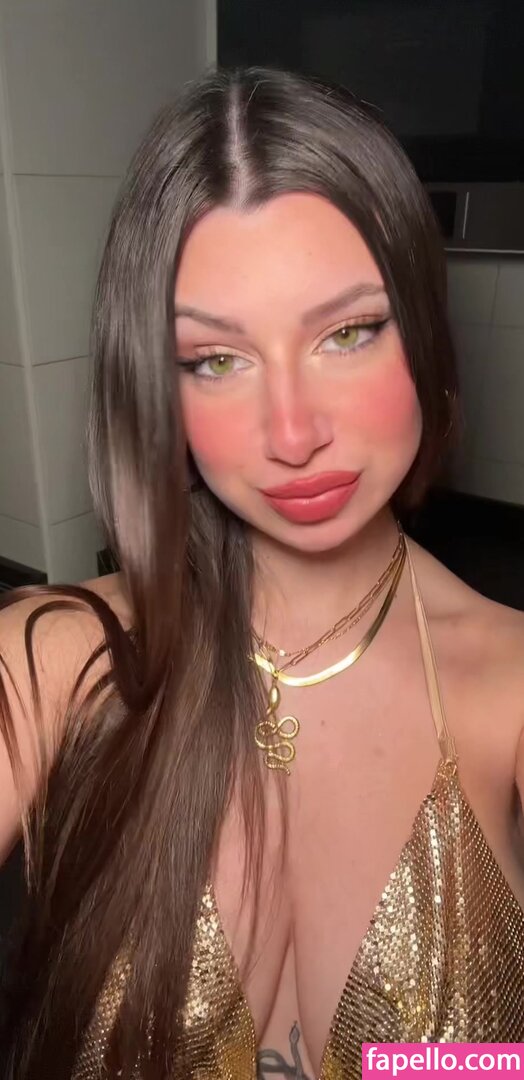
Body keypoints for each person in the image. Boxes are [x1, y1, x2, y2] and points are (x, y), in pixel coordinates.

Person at [1, 65, 524, 1080]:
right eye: (216, 360)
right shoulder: (56, 661)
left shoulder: (506, 684)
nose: (292, 435)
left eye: (347, 333)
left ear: (421, 331)